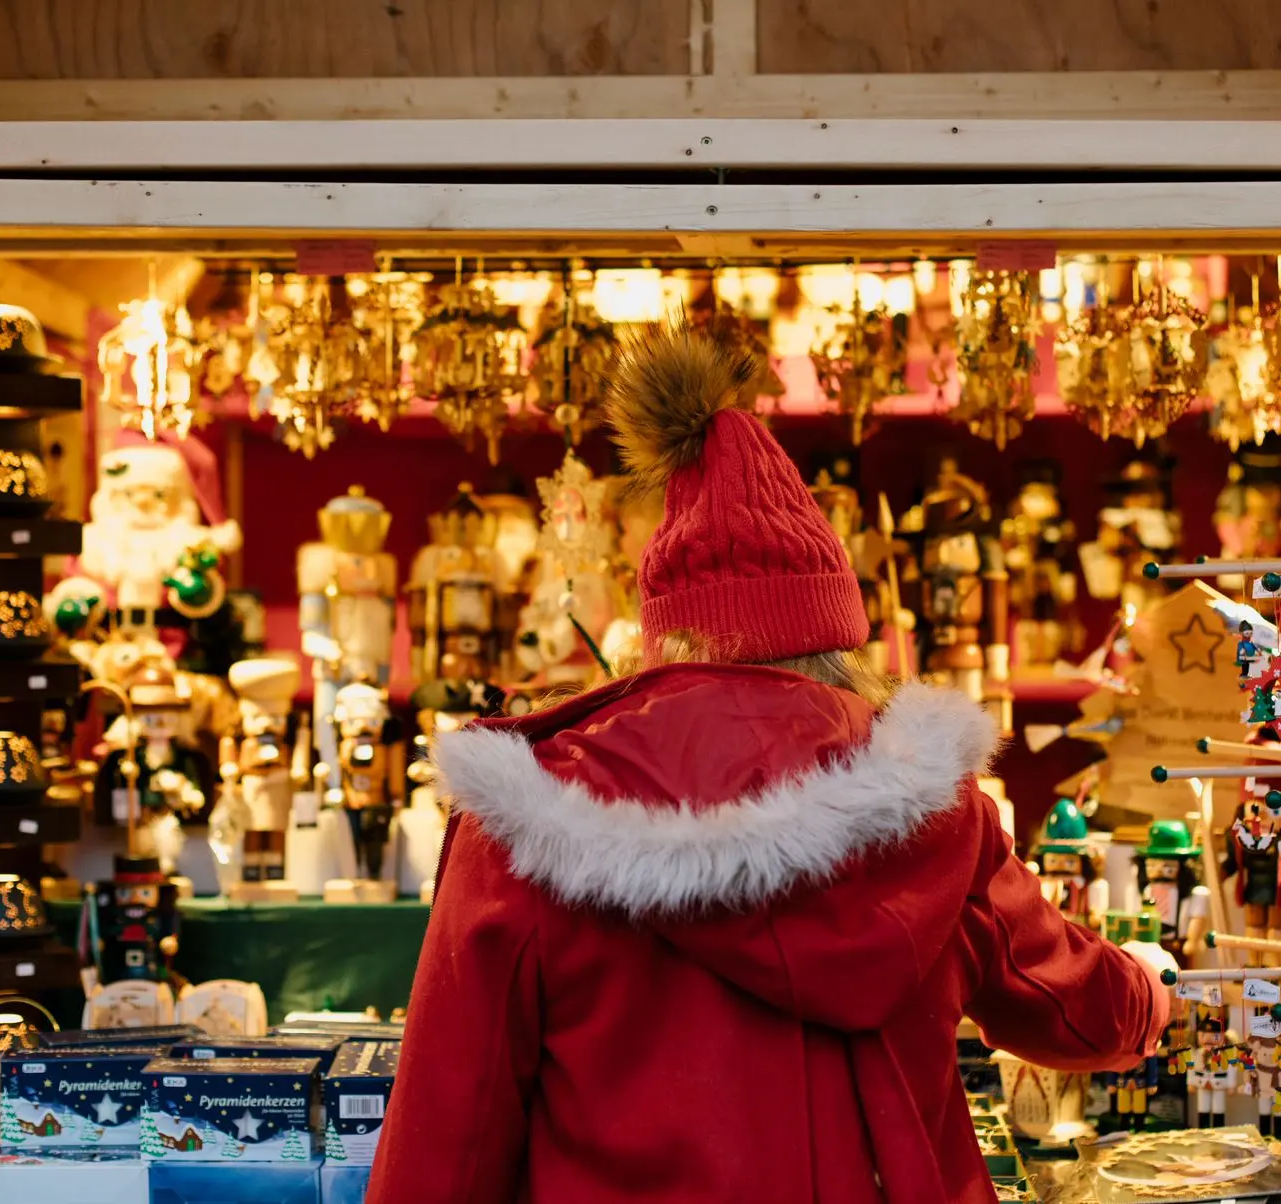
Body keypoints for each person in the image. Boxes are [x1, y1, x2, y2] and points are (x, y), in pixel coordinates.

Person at [368, 321, 1172, 1204]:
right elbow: (1068, 1004)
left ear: (661, 624)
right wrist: (1154, 992)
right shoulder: (936, 808)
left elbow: (449, 1137)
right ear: (833, 625)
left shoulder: (529, 819)